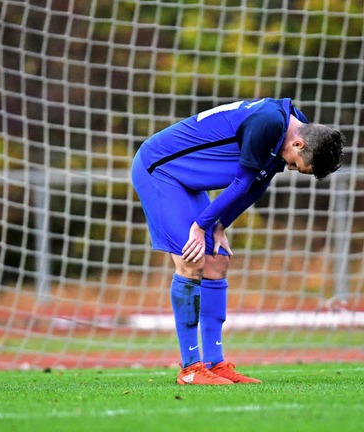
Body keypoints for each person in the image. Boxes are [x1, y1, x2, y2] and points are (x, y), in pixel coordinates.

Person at [131, 97, 344, 385]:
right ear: (299, 145)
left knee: (218, 260)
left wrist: (220, 225)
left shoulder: (294, 124)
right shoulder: (268, 121)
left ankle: (215, 363)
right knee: (190, 261)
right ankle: (191, 369)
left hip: (189, 180)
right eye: (297, 166)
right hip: (161, 170)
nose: (292, 169)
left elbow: (259, 184)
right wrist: (200, 226)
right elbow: (243, 182)